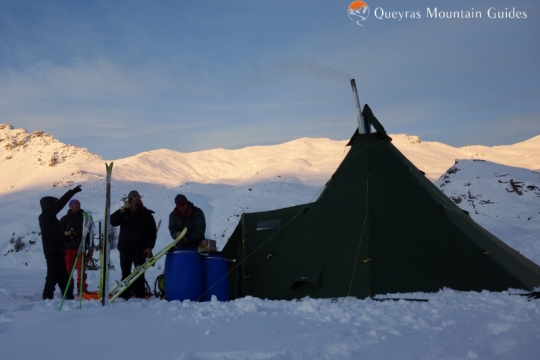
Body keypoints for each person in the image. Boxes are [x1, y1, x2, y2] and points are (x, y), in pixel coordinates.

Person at [110, 190, 157, 300]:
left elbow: (152, 232)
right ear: (130, 199)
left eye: (137, 196)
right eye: (134, 196)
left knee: (139, 274)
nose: (136, 198)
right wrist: (121, 211)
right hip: (125, 248)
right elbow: (112, 221)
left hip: (139, 249)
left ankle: (139, 296)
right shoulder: (124, 212)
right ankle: (125, 295)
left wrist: (149, 246)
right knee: (125, 273)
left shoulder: (146, 213)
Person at [38, 185, 82, 300]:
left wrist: (67, 237)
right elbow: (59, 206)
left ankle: (67, 295)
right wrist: (72, 192)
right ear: (48, 205)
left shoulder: (53, 220)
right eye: (54, 203)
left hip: (59, 249)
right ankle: (47, 295)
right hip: (52, 250)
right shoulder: (45, 217)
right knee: (52, 273)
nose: (56, 205)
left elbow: (58, 235)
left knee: (62, 275)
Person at [60, 199, 90, 294]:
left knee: (81, 270)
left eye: (78, 204)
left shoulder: (85, 218)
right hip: (68, 248)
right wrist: (66, 234)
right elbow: (59, 233)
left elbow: (88, 233)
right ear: (70, 206)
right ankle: (69, 287)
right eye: (74, 204)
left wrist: (89, 247)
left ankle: (82, 288)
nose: (77, 205)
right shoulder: (65, 219)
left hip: (81, 247)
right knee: (68, 269)